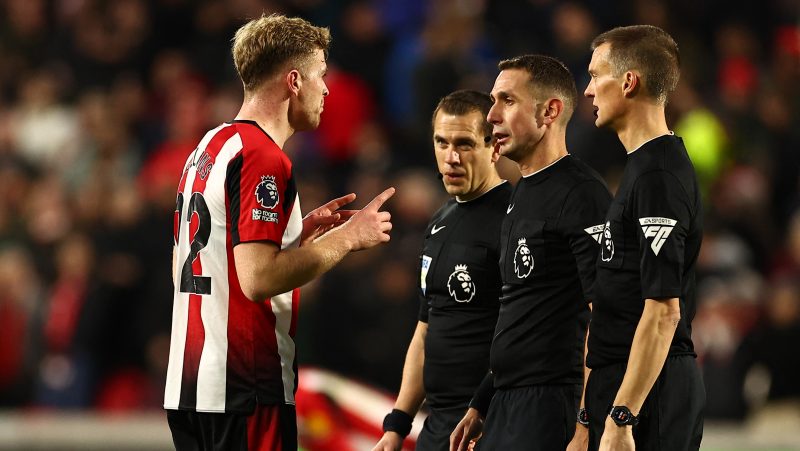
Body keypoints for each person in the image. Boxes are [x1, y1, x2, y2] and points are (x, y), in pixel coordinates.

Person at [163, 14, 395, 450]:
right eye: (321, 75)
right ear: (294, 81)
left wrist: (294, 238)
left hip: (189, 386)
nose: (326, 89)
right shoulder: (263, 157)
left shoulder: (208, 147)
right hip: (244, 388)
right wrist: (347, 238)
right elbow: (258, 279)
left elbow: (195, 259)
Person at [450, 55, 612, 451]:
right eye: (493, 100)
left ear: (549, 112)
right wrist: (483, 400)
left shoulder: (582, 194)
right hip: (507, 403)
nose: (491, 115)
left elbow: (607, 316)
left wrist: (586, 422)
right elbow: (522, 310)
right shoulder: (521, 193)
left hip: (553, 406)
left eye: (507, 100)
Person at [582, 25, 705, 450]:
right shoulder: (642, 168)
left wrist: (623, 417)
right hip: (628, 388)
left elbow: (664, 311)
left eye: (595, 76)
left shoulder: (658, 176)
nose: (588, 90)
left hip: (648, 397)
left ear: (629, 82)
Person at [373, 90, 516, 451]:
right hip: (437, 424)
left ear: (494, 147)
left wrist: (485, 412)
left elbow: (524, 333)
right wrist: (397, 424)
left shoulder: (515, 222)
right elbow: (426, 327)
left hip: (491, 423)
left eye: (464, 144)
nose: (451, 157)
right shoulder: (440, 221)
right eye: (442, 142)